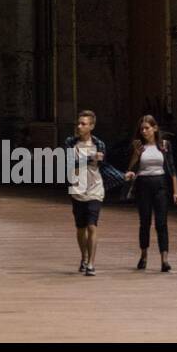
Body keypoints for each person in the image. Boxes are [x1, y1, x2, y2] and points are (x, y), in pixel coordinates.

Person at [122, 115, 177, 272]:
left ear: (155, 128)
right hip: (143, 184)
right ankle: (144, 255)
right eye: (142, 129)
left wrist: (176, 191)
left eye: (147, 128)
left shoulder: (164, 145)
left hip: (160, 184)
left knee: (162, 223)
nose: (144, 131)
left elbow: (172, 168)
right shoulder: (139, 146)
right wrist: (135, 153)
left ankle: (164, 259)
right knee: (145, 222)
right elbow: (131, 167)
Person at [64, 111, 106, 276]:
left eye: (83, 124)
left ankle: (91, 263)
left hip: (95, 189)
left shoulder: (99, 144)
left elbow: (104, 165)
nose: (79, 126)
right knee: (81, 228)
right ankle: (84, 256)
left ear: (91, 126)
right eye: (78, 123)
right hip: (77, 189)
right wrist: (90, 158)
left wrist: (123, 175)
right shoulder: (70, 142)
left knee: (92, 225)